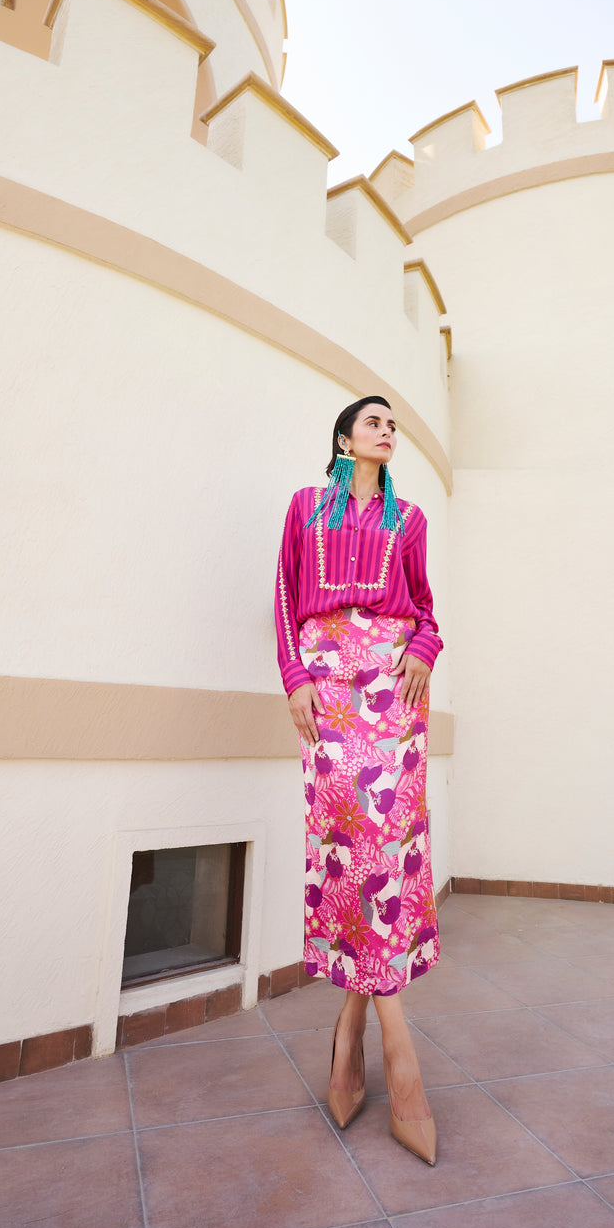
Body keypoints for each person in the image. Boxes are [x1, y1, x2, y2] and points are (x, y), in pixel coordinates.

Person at [275, 395, 443, 1165]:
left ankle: (350, 1029)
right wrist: (293, 677)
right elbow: (283, 597)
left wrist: (422, 653)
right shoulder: (306, 507)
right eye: (371, 420)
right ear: (344, 436)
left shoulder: (408, 522)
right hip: (328, 686)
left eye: (390, 423)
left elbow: (428, 609)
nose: (386, 428)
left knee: (392, 846)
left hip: (394, 686)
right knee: (349, 842)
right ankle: (395, 1043)